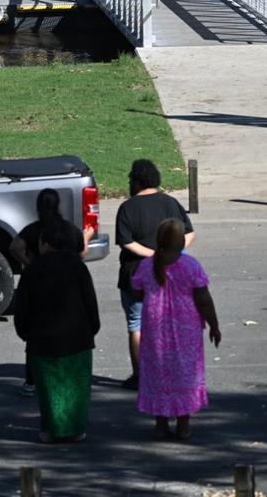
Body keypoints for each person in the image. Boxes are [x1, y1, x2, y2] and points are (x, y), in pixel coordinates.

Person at [132, 218, 221, 440]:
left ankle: (161, 424)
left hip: (155, 329)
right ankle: (183, 424)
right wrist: (214, 325)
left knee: (158, 371)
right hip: (186, 328)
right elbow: (204, 299)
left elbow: (137, 291)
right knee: (185, 372)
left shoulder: (146, 266)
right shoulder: (190, 265)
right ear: (179, 242)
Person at [13, 223, 100, 443]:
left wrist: (24, 332)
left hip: (42, 338)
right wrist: (92, 327)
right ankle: (76, 428)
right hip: (78, 336)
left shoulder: (33, 270)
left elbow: (22, 306)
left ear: (46, 245)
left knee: (49, 389)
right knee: (76, 387)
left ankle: (52, 429)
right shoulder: (78, 267)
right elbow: (90, 301)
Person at [115, 159, 194, 391]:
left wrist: (150, 254)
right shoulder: (170, 203)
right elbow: (189, 233)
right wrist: (169, 252)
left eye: (131, 179)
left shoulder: (128, 208)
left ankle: (140, 376)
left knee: (136, 324)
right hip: (168, 274)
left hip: (135, 274)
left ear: (138, 180)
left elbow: (126, 241)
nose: (129, 182)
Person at [11, 188, 92, 397]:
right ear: (58, 205)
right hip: (68, 283)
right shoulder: (70, 229)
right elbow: (82, 251)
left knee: (38, 331)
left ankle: (31, 380)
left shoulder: (34, 229)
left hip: (39, 283)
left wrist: (29, 263)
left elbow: (15, 247)